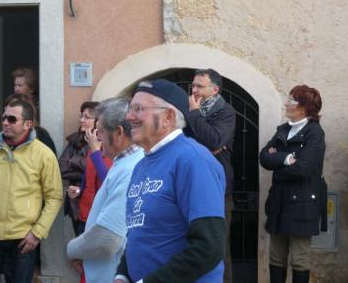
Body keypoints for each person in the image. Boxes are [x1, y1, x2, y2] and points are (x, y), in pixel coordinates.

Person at [115, 79, 226, 283]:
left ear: (168, 117)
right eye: (130, 109)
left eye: (139, 109)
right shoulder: (142, 164)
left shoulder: (193, 160)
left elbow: (208, 248)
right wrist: (123, 274)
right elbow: (140, 233)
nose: (129, 117)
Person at [67, 98, 144, 283]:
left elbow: (107, 240)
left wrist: (72, 249)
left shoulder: (130, 169)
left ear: (118, 132)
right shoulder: (124, 162)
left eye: (100, 132)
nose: (97, 139)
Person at [259, 85, 327, 283]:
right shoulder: (283, 130)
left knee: (299, 259)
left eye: (292, 101)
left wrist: (277, 160)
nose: (287, 104)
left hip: (303, 204)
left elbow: (305, 168)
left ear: (305, 108)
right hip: (278, 203)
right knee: (276, 257)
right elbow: (264, 157)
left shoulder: (314, 133)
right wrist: (288, 159)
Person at [0, 100, 63, 283]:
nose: (5, 123)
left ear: (28, 124)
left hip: (23, 240)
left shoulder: (44, 154)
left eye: (11, 119)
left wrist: (37, 233)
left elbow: (54, 197)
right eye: (3, 118)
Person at [186, 68, 236, 283]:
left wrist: (195, 115)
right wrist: (204, 146)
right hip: (189, 184)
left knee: (218, 244)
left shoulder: (225, 112)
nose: (194, 90)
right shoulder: (186, 111)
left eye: (199, 86)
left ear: (215, 90)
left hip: (217, 188)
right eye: (193, 86)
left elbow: (215, 140)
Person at [59, 101, 99, 235]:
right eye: (81, 116)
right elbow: (62, 168)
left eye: (87, 117)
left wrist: (74, 160)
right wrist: (86, 170)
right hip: (75, 203)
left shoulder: (103, 141)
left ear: (98, 120)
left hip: (95, 202)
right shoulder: (74, 140)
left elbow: (101, 170)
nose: (82, 120)